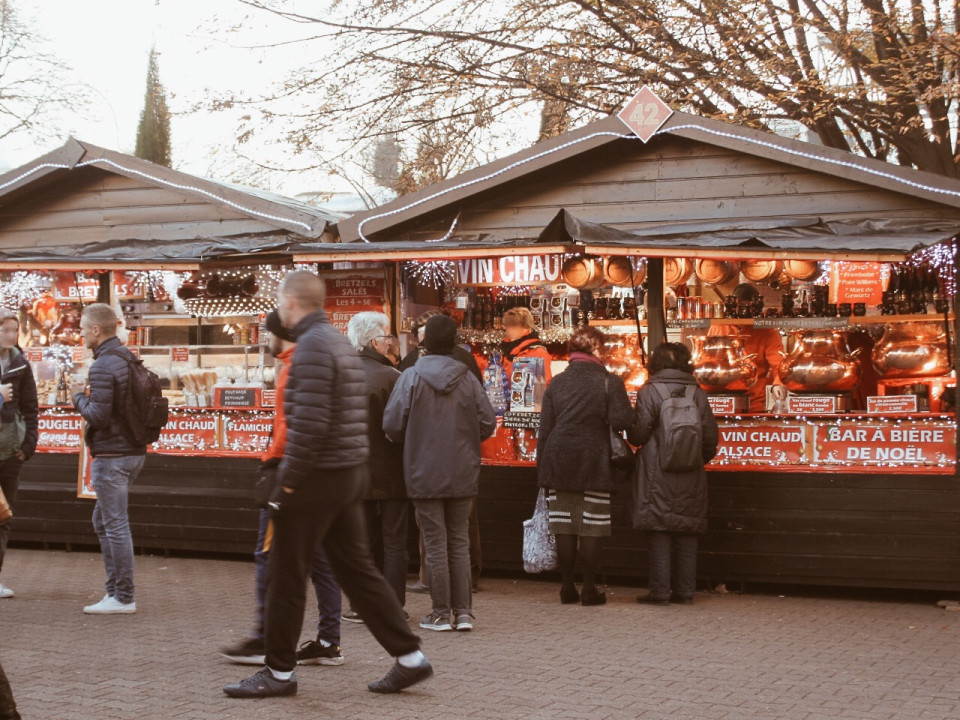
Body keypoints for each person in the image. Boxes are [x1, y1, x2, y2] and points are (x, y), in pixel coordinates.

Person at [224, 271, 431, 699]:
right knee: (356, 571)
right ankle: (410, 657)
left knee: (285, 572)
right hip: (347, 473)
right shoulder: (337, 342)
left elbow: (309, 425)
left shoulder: (312, 348)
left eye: (281, 301)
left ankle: (279, 671)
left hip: (316, 477)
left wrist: (286, 485)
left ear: (291, 302)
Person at [219, 310, 344, 667]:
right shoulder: (321, 361)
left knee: (270, 557)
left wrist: (276, 468)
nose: (264, 339)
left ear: (279, 334)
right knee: (323, 561)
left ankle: (266, 638)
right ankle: (328, 640)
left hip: (293, 476)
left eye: (266, 332)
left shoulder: (295, 368)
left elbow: (293, 427)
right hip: (323, 478)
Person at [384, 314, 496, 632]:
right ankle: (463, 613)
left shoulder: (410, 377)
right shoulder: (468, 378)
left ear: (424, 342)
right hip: (462, 469)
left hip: (422, 470)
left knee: (435, 543)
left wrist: (413, 438)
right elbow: (487, 422)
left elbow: (391, 425)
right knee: (459, 541)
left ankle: (439, 613)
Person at [536, 326, 637, 606]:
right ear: (597, 349)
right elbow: (621, 421)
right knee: (591, 525)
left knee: (564, 526)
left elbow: (545, 429)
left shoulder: (557, 382)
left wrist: (542, 469)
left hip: (558, 457)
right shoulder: (608, 381)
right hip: (593, 458)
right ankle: (590, 589)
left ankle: (567, 588)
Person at [73, 303, 146, 615]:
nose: (79, 334)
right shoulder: (127, 357)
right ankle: (115, 590)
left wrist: (77, 395)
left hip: (112, 455)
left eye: (81, 329)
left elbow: (98, 416)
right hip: (132, 451)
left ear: (95, 330)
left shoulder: (102, 365)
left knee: (115, 524)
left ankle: (122, 596)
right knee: (103, 520)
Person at [633, 342, 719, 606]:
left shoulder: (649, 391)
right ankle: (685, 592)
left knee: (659, 528)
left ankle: (659, 592)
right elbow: (711, 439)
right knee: (687, 529)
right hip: (691, 473)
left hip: (655, 473)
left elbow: (638, 434)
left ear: (655, 362)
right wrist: (693, 459)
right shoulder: (698, 393)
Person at [344, 312, 407, 618]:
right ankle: (392, 604)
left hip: (354, 470)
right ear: (374, 341)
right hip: (391, 469)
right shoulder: (392, 377)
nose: (389, 343)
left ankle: (361, 603)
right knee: (394, 539)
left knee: (364, 540)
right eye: (386, 338)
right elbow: (402, 426)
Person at [0, 311, 38, 599]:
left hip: (10, 451)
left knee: (3, 515)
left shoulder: (21, 364)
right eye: (5, 330)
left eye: (14, 330)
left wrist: (27, 446)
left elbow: (31, 407)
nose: (10, 336)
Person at [501, 307, 553, 382]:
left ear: (526, 326)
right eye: (507, 325)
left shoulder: (538, 352)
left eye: (513, 325)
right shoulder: (504, 351)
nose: (509, 329)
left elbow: (544, 385)